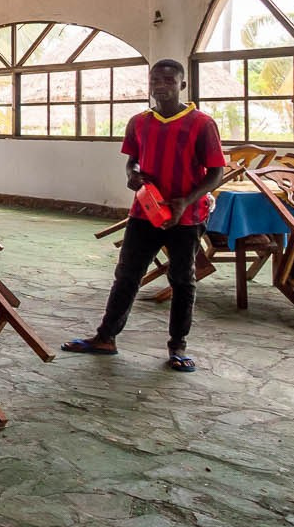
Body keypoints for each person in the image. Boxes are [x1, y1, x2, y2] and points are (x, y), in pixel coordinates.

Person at [62, 59, 227, 373]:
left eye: (168, 79)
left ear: (181, 85)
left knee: (182, 280)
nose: (161, 85)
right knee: (127, 275)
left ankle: (177, 346)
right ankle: (105, 337)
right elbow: (133, 161)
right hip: (145, 212)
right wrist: (132, 175)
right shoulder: (139, 122)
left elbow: (216, 172)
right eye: (155, 80)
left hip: (187, 215)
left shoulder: (202, 124)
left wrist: (185, 201)